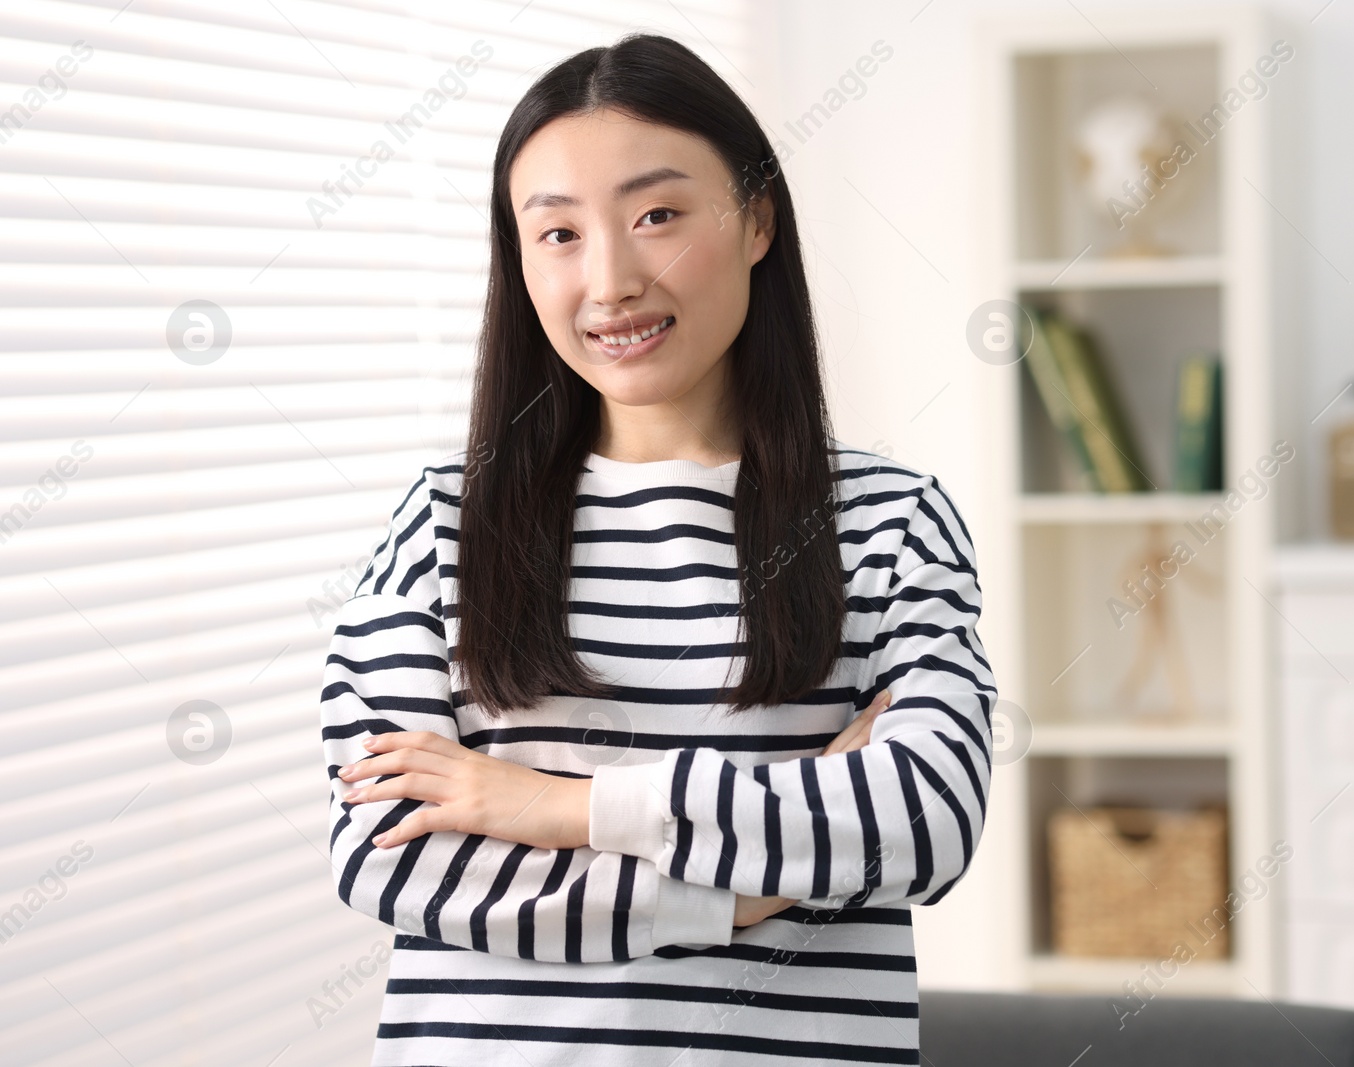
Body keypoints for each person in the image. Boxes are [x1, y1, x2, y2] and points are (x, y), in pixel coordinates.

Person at [319, 31, 996, 1066]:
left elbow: (926, 814)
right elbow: (398, 864)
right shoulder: (441, 523)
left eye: (657, 216)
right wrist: (742, 892)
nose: (611, 280)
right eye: (558, 235)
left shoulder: (886, 520)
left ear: (757, 218)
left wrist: (558, 806)